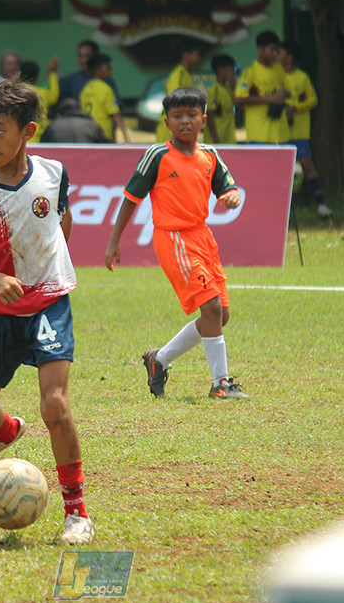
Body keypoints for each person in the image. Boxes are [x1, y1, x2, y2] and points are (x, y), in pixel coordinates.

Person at [0, 78, 94, 545]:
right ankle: (7, 430)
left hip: (50, 304)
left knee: (56, 404)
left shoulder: (54, 174)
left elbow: (61, 221)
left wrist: (49, 271)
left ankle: (76, 511)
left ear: (27, 131)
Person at [104, 87, 248, 400]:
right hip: (174, 238)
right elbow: (130, 198)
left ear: (204, 120)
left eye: (192, 115)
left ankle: (160, 359)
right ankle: (220, 384)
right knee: (209, 307)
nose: (185, 121)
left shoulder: (209, 155)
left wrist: (231, 195)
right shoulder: (157, 155)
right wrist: (114, 241)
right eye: (178, 116)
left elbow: (227, 186)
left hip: (203, 237)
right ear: (167, 122)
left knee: (220, 315)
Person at [280, 40, 333, 217]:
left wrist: (296, 107)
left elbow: (313, 99)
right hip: (279, 132)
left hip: (299, 132)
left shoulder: (302, 77)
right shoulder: (275, 76)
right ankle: (281, 209)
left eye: (280, 53)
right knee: (281, 171)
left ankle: (321, 204)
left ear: (289, 57)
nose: (277, 56)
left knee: (307, 165)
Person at [234, 30, 289, 145]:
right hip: (258, 132)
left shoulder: (279, 68)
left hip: (279, 131)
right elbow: (238, 99)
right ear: (260, 49)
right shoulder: (251, 72)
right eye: (271, 50)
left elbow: (287, 91)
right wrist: (269, 98)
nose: (275, 54)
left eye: (277, 51)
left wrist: (282, 94)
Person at [155, 40, 201, 142]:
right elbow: (174, 101)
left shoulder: (187, 75)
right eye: (196, 55)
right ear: (186, 55)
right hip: (171, 128)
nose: (198, 59)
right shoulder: (178, 75)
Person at [79, 53, 131, 143]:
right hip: (102, 135)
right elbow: (115, 114)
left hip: (87, 134)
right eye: (108, 67)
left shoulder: (85, 89)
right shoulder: (106, 89)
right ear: (98, 70)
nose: (111, 70)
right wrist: (125, 135)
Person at [58, 39, 122, 106]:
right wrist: (52, 78)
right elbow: (53, 98)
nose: (83, 60)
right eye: (80, 56)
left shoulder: (107, 80)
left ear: (96, 57)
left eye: (87, 56)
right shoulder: (70, 80)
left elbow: (118, 104)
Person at [18, 57, 60, 142]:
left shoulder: (14, 93)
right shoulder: (43, 94)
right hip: (40, 140)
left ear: (19, 76)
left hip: (20, 140)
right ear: (37, 77)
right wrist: (52, 74)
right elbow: (55, 95)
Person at [203, 53, 237, 145]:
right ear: (220, 71)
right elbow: (210, 116)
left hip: (229, 140)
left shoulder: (229, 90)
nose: (233, 72)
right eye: (230, 69)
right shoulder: (214, 90)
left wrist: (233, 86)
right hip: (216, 142)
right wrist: (216, 141)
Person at [41, 98, 108, 143]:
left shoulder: (52, 126)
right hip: (86, 162)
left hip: (60, 162)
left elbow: (43, 148)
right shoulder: (92, 125)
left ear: (58, 114)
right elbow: (105, 148)